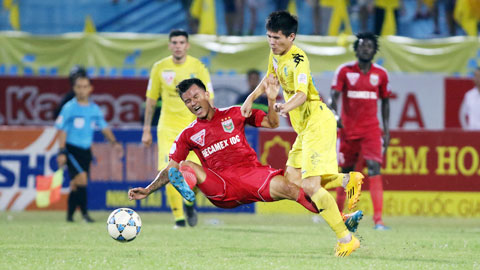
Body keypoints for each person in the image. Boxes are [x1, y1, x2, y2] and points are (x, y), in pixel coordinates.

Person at [129, 77, 364, 257]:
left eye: (195, 96)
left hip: (253, 175)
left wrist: (271, 99)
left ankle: (341, 219)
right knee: (183, 166)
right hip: (221, 186)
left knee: (295, 188)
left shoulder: (235, 113)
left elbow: (272, 123)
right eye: (187, 101)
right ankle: (189, 191)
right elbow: (170, 166)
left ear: (207, 94)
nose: (192, 103)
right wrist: (149, 189)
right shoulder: (188, 133)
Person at [241, 11, 364, 255]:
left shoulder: (298, 60)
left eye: (277, 38)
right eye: (269, 37)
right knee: (293, 181)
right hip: (305, 128)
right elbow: (270, 78)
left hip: (317, 121)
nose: (272, 42)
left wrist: (284, 106)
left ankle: (345, 238)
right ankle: (347, 180)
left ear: (291, 37)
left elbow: (302, 94)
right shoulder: (275, 54)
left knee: (309, 185)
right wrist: (251, 98)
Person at [142, 29, 214, 229]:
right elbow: (150, 100)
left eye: (182, 42)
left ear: (187, 45)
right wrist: (146, 129)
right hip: (167, 129)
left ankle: (189, 203)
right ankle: (179, 220)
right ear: (169, 45)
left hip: (194, 129)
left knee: (198, 174)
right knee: (170, 172)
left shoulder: (198, 67)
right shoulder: (159, 67)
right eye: (174, 42)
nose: (178, 45)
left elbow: (209, 99)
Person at [329, 32, 391, 230]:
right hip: (348, 131)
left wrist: (387, 130)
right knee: (346, 174)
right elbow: (333, 99)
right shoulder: (344, 71)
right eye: (362, 45)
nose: (366, 49)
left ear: (374, 51)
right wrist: (336, 116)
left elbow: (386, 102)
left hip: (372, 131)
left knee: (374, 168)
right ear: (356, 49)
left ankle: (379, 221)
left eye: (369, 46)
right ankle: (337, 215)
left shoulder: (381, 74)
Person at [55, 74, 123, 223]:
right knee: (82, 181)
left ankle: (70, 216)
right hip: (71, 149)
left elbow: (104, 128)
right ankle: (85, 215)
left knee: (75, 184)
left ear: (90, 89)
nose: (82, 90)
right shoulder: (69, 108)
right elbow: (62, 130)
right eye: (79, 87)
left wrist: (114, 142)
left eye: (85, 87)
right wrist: (61, 152)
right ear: (74, 88)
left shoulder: (94, 109)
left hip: (86, 151)